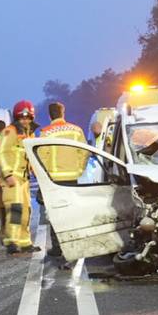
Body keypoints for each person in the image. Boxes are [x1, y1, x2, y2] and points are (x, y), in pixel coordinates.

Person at [37, 102, 88, 256]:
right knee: (72, 212)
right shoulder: (76, 130)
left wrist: (44, 177)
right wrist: (79, 169)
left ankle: (58, 248)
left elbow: (42, 156)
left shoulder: (45, 133)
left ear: (49, 115)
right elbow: (84, 152)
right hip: (73, 178)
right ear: (63, 112)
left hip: (54, 180)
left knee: (56, 213)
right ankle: (74, 244)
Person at [0, 120, 36, 253]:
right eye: (22, 118)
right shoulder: (10, 131)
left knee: (26, 211)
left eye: (28, 117)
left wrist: (37, 172)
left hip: (24, 179)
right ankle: (12, 241)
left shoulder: (30, 134)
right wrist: (8, 174)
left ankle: (25, 242)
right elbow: (1, 153)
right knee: (15, 209)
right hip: (12, 179)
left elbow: (31, 156)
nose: (25, 121)